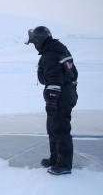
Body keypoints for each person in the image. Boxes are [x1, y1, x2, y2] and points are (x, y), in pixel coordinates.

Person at [25, 26, 78, 175]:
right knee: (53, 127)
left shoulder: (50, 55)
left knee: (60, 129)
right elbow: (73, 72)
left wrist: (52, 101)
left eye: (34, 42)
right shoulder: (59, 49)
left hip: (60, 96)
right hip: (67, 93)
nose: (34, 45)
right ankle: (55, 158)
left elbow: (55, 80)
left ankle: (64, 165)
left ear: (39, 41)